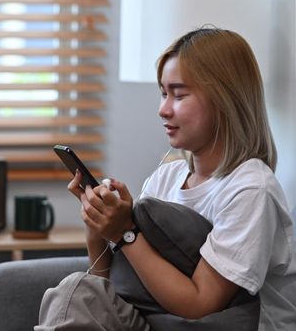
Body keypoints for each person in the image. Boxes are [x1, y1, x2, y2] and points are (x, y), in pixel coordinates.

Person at [35, 27, 296, 330]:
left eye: (179, 95)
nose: (163, 109)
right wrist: (100, 227)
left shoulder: (251, 190)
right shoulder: (167, 176)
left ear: (225, 99)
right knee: (77, 292)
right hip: (157, 320)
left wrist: (126, 234)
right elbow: (105, 285)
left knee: (75, 294)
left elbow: (200, 305)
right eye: (163, 93)